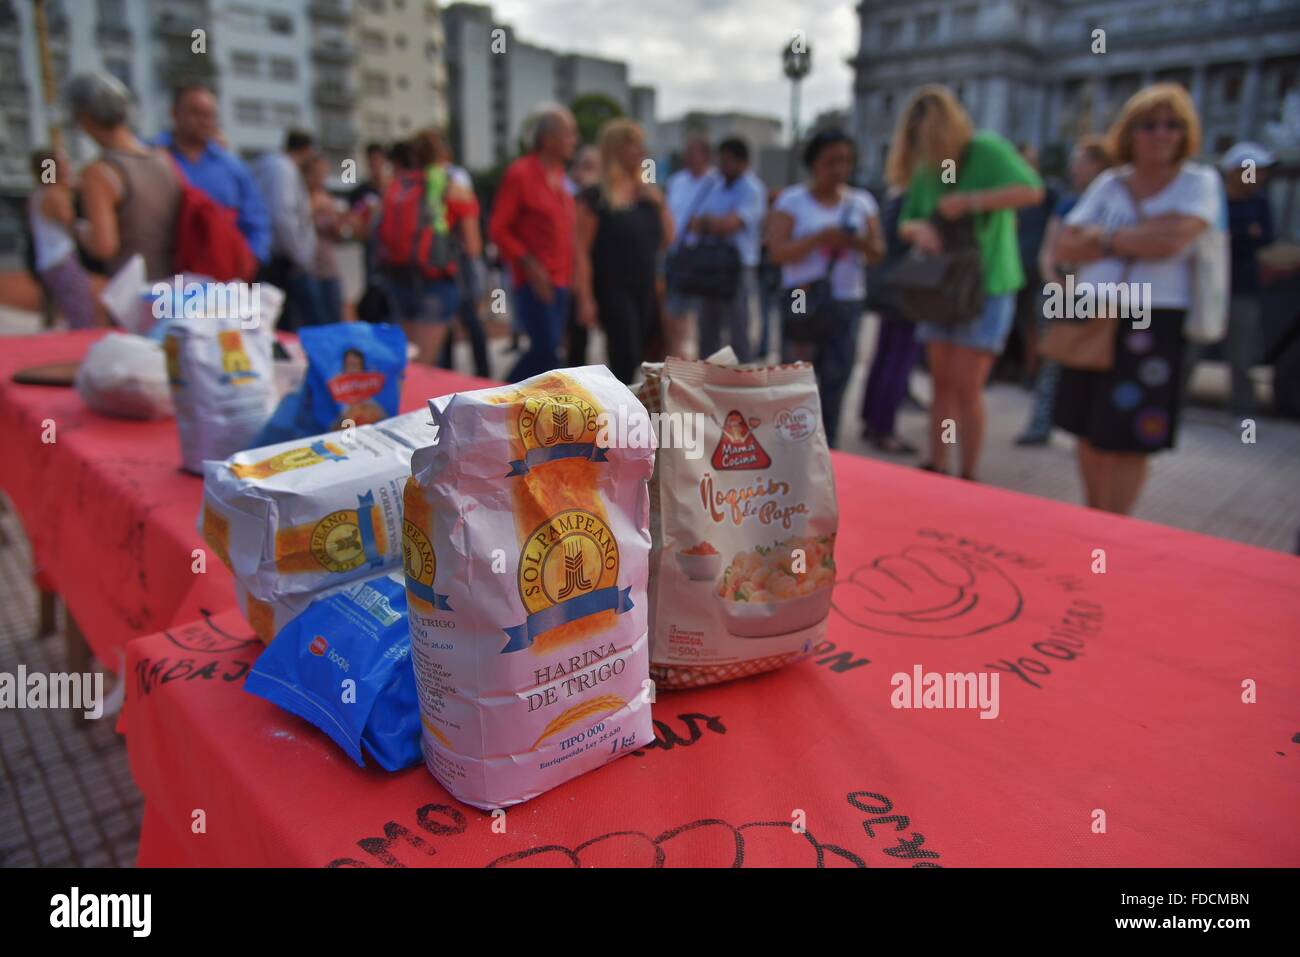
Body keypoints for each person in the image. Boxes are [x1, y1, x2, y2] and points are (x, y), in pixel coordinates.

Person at [1052, 83, 1220, 515]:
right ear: (1130, 132)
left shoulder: (1199, 182)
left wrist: (1103, 239)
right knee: (1087, 426)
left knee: (1131, 434)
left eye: (1172, 125)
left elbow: (1174, 240)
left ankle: (1118, 527)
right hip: (1091, 309)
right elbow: (1065, 246)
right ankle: (1094, 516)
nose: (1161, 134)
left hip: (1152, 317)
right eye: (1149, 125)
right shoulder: (1109, 183)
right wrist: (1138, 238)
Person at [890, 84, 1044, 480]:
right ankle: (938, 462)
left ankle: (968, 472)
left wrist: (971, 202)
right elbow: (907, 219)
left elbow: (1031, 191)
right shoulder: (928, 169)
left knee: (965, 384)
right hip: (940, 288)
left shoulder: (987, 150)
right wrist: (919, 229)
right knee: (940, 381)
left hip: (986, 287)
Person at [766, 129, 885, 447]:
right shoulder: (792, 201)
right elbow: (776, 252)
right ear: (814, 163)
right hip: (801, 297)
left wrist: (856, 241)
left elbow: (877, 252)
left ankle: (829, 448)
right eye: (831, 161)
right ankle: (791, 447)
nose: (839, 168)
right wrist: (820, 238)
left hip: (847, 299)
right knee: (796, 379)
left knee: (837, 377)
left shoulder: (862, 202)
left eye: (846, 161)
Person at [1017, 135, 1113, 445]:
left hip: (1101, 296)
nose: (1074, 166)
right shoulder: (1069, 202)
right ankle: (1040, 424)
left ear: (1099, 164)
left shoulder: (1115, 202)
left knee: (1095, 361)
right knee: (1053, 358)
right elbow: (1051, 250)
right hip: (1064, 289)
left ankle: (1087, 431)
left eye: (1081, 159)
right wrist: (1056, 285)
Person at [573, 119, 673, 384]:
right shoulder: (595, 197)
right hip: (612, 288)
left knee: (643, 356)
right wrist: (584, 298)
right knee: (624, 356)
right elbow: (580, 250)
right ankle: (617, 414)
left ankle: (629, 412)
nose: (640, 151)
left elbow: (668, 240)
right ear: (615, 149)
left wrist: (660, 204)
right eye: (633, 145)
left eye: (641, 145)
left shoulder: (648, 196)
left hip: (646, 287)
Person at [489, 104, 579, 382]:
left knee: (551, 353)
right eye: (569, 133)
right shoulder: (521, 173)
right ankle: (497, 395)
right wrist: (529, 264)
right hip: (533, 280)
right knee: (546, 351)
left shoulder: (562, 177)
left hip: (561, 280)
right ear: (548, 139)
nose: (574, 140)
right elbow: (498, 229)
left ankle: (522, 410)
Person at [67, 72, 181, 282]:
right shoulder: (165, 158)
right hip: (173, 287)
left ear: (85, 117)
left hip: (131, 294)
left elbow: (104, 246)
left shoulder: (100, 172)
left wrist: (75, 227)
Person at [381, 129, 480, 364]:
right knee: (425, 365)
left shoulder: (397, 186)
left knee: (405, 362)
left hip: (399, 279)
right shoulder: (455, 189)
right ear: (443, 154)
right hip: (436, 284)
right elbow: (474, 247)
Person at [158, 83, 271, 264]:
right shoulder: (151, 155)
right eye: (195, 112)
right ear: (174, 113)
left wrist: (250, 259)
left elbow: (256, 219)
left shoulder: (233, 168)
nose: (203, 120)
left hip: (218, 276)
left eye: (209, 115)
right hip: (160, 274)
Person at [687, 137, 766, 362]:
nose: (722, 165)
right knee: (707, 325)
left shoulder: (752, 189)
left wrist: (710, 224)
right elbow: (695, 222)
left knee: (738, 324)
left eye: (727, 160)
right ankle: (707, 375)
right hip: (711, 264)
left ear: (741, 161)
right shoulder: (715, 184)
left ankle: (741, 376)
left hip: (737, 266)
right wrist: (713, 224)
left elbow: (732, 224)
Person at [1215, 141, 1275, 416]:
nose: (1259, 176)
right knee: (1188, 351)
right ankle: (1172, 410)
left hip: (1243, 289)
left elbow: (1263, 239)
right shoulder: (1215, 199)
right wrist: (1242, 233)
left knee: (1242, 356)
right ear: (1234, 172)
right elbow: (1213, 239)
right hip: (1210, 288)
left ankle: (1243, 414)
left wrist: (1235, 236)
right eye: (1252, 170)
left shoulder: (1259, 202)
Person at [858, 188, 920, 453]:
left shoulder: (897, 195)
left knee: (886, 355)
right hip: (906, 290)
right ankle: (883, 428)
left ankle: (874, 421)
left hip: (892, 287)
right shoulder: (916, 197)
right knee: (898, 358)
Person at [252, 129, 323, 330]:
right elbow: (283, 216)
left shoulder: (270, 166)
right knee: (301, 322)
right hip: (284, 260)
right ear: (307, 150)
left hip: (277, 257)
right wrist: (300, 255)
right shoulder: (282, 169)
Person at [26, 149, 96, 329]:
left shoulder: (38, 194)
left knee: (54, 316)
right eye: (63, 163)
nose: (68, 167)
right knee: (81, 315)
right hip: (61, 260)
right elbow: (71, 224)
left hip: (47, 261)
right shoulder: (55, 194)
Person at [664, 135, 719, 357]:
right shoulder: (677, 181)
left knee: (703, 318)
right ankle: (679, 358)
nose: (687, 157)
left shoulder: (717, 182)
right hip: (678, 255)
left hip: (704, 258)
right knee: (676, 314)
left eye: (692, 152)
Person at [1010, 143, 1059, 383]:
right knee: (1016, 321)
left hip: (1037, 268)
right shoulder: (1008, 191)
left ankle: (1033, 372)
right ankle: (1014, 368)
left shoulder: (1048, 192)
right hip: (1012, 266)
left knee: (1033, 323)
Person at [564, 144, 602, 366]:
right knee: (576, 342)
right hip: (572, 280)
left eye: (591, 167)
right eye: (583, 166)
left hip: (597, 278)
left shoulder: (600, 200)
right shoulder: (570, 196)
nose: (585, 173)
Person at [305, 155, 344, 326]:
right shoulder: (302, 199)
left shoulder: (326, 199)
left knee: (334, 317)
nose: (321, 179)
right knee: (316, 320)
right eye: (318, 174)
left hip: (328, 266)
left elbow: (337, 233)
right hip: (308, 267)